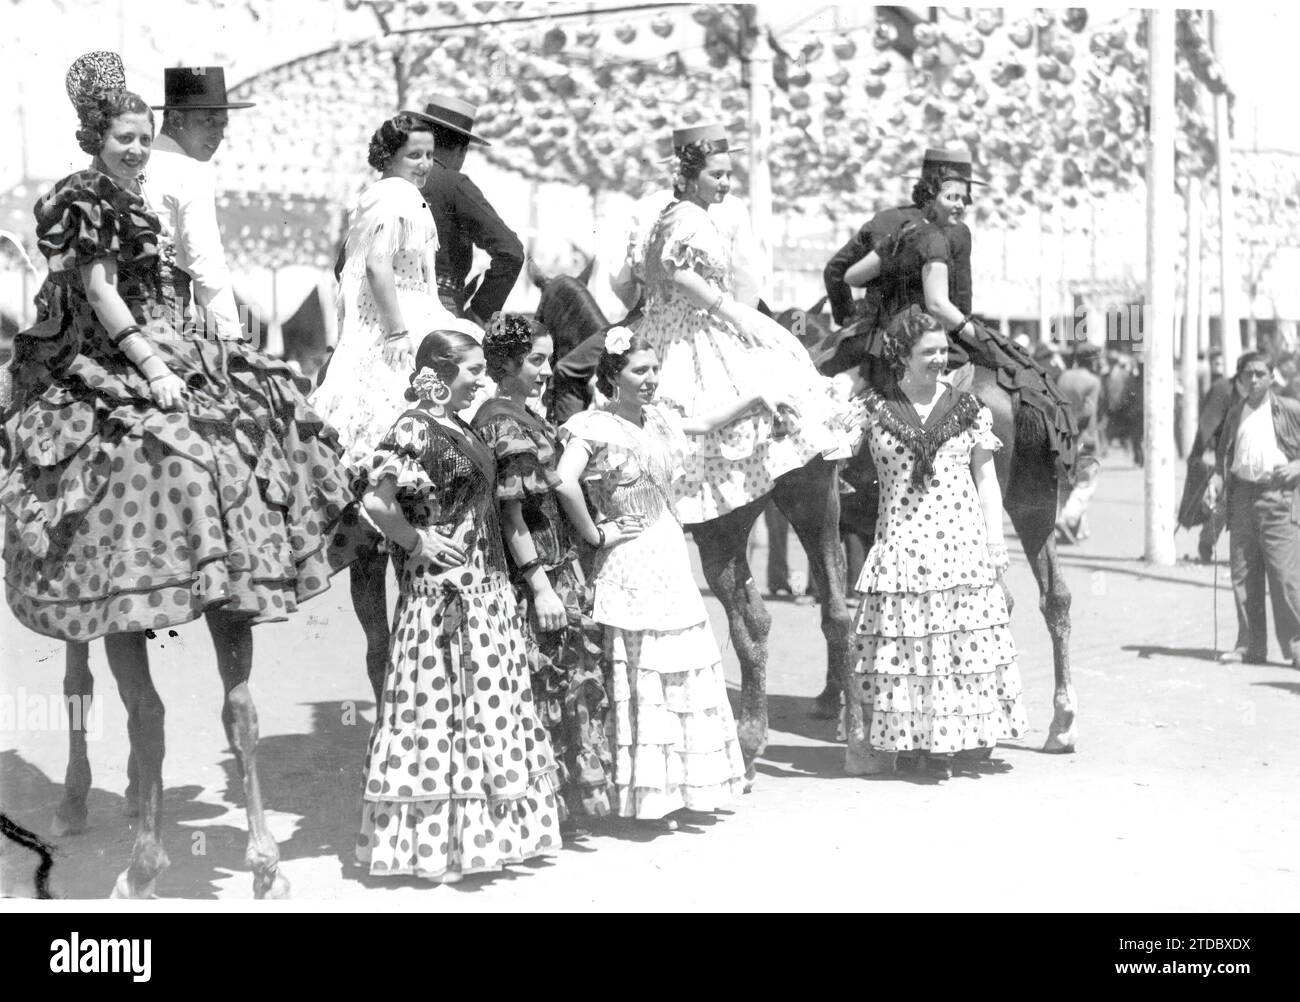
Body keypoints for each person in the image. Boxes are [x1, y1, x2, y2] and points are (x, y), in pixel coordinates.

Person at [1, 54, 355, 647]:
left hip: (160, 330)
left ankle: (225, 569)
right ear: (99, 137)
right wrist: (157, 362)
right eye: (125, 139)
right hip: (121, 341)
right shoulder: (94, 192)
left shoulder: (129, 183)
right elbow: (109, 287)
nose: (138, 149)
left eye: (143, 138)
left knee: (254, 423)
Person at [352, 330, 561, 881]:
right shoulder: (413, 427)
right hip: (443, 592)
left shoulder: (458, 426)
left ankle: (483, 842)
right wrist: (417, 541)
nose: (480, 380)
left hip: (484, 586)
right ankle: (438, 848)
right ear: (439, 373)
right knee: (443, 709)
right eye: (471, 371)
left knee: (483, 707)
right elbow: (376, 499)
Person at [311, 113, 484, 705]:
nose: (425, 164)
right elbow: (380, 269)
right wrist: (395, 335)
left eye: (430, 155)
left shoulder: (379, 195)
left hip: (397, 315)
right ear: (390, 156)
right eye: (415, 154)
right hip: (396, 322)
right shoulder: (397, 197)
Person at [555, 331, 764, 818]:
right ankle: (638, 797)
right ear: (612, 376)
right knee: (640, 665)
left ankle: (680, 791)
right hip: (627, 558)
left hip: (669, 552)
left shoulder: (660, 420)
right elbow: (564, 482)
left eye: (654, 370)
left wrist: (756, 398)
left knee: (679, 664)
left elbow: (706, 422)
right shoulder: (592, 426)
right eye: (638, 371)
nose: (650, 380)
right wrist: (595, 535)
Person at [631, 122, 857, 526]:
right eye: (715, 175)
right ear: (687, 177)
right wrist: (731, 311)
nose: (724, 183)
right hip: (693, 331)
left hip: (667, 326)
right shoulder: (692, 220)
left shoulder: (669, 215)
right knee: (766, 384)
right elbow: (681, 276)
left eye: (728, 175)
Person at [845, 307, 1028, 778]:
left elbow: (986, 479)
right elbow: (834, 454)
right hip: (901, 548)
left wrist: (995, 543)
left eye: (944, 350)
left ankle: (955, 744)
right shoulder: (874, 409)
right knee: (908, 652)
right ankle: (910, 745)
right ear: (901, 356)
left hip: (960, 548)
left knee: (956, 649)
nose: (940, 359)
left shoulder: (969, 409)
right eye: (929, 352)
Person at [472, 313, 615, 822]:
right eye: (536, 360)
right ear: (506, 363)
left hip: (561, 567)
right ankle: (546, 806)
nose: (547, 370)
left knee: (569, 680)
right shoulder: (501, 421)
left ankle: (572, 800)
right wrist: (539, 586)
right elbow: (511, 512)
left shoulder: (523, 414)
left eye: (548, 359)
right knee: (548, 682)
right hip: (538, 575)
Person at [1204, 351, 1300, 669]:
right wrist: (1215, 482)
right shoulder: (1235, 412)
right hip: (1242, 497)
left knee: (1285, 577)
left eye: (1260, 373)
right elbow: (1222, 459)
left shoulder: (1288, 409)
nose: (1254, 380)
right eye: (1248, 375)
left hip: (1278, 498)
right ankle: (1250, 646)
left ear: (1272, 377)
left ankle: (1297, 647)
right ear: (1240, 378)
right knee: (1244, 575)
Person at [143, 65, 250, 341]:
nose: (219, 135)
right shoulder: (190, 171)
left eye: (222, 124)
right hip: (164, 322)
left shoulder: (134, 160)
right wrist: (232, 341)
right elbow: (206, 266)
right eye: (208, 121)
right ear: (176, 119)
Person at [414, 94, 523, 325]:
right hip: (439, 312)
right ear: (461, 151)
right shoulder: (454, 184)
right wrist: (480, 312)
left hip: (379, 312)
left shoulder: (390, 181)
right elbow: (511, 251)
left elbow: (344, 262)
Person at [1056, 343, 1103, 543]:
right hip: (1084, 439)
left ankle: (1076, 529)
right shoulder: (1093, 381)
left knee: (1066, 484)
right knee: (1086, 483)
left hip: (1062, 439)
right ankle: (1067, 519)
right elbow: (1088, 411)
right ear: (1092, 361)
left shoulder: (1064, 377)